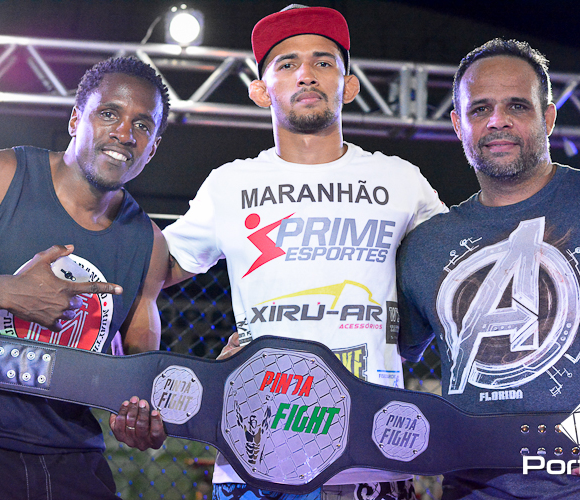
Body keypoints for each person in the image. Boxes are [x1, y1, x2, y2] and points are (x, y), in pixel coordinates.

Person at [161, 5, 447, 500]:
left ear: (348, 85)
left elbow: (456, 274)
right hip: (257, 456)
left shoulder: (401, 180)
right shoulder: (228, 185)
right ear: (260, 90)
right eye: (287, 63)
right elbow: (149, 270)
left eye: (323, 61)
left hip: (372, 457)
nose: (307, 74)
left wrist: (416, 335)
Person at [397, 38, 580, 499]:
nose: (498, 120)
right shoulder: (428, 244)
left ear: (547, 117)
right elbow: (383, 353)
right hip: (475, 489)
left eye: (517, 105)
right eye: (480, 109)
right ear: (458, 124)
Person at [0, 56, 170, 499]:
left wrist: (139, 415)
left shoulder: (149, 244)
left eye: (142, 125)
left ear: (152, 148)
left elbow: (138, 378)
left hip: (73, 457)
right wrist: (9, 292)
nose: (124, 133)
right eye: (109, 113)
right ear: (76, 119)